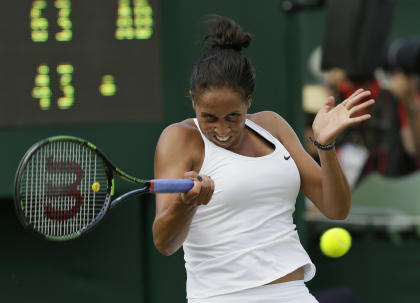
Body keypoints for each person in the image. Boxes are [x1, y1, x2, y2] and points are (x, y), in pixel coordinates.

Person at [152, 16, 374, 303]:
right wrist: (187, 204)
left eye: (233, 116)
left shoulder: (273, 126)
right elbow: (164, 243)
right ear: (193, 100)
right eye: (209, 117)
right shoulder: (179, 139)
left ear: (249, 100)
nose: (222, 130)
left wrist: (325, 146)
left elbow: (336, 208)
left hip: (293, 293)